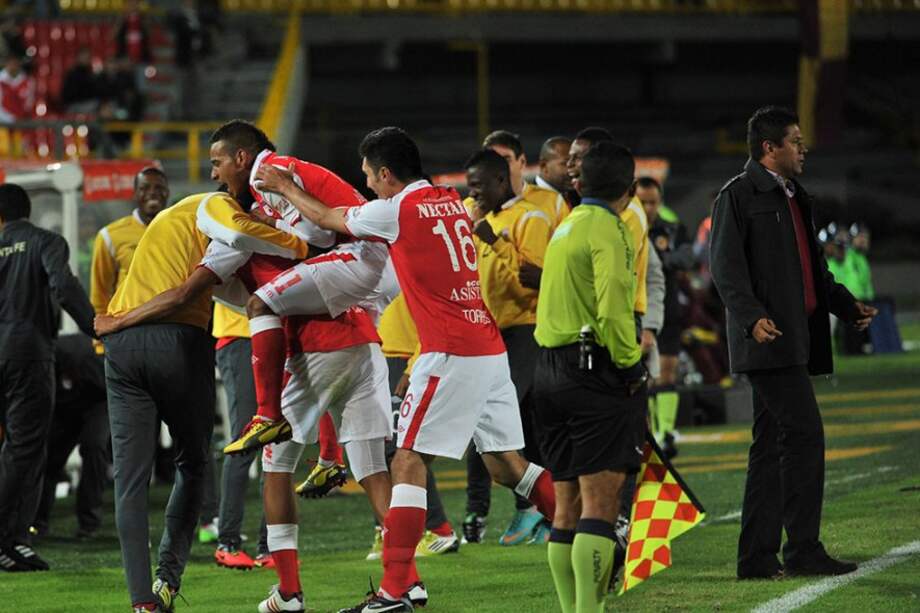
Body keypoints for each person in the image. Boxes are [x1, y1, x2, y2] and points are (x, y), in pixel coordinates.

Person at [254, 126, 556, 613]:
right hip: (488, 345)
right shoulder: (450, 199)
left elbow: (329, 216)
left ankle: (396, 590)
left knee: (407, 461)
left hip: (450, 350)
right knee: (508, 467)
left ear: (388, 174)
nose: (369, 184)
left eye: (371, 176)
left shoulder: (395, 210)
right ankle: (586, 536)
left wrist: (286, 188)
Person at [94, 190, 307, 612]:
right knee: (193, 463)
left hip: (121, 349)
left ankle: (142, 602)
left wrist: (116, 321)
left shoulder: (174, 218)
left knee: (130, 481)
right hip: (174, 340)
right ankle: (168, 578)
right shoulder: (219, 205)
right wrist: (299, 244)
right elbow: (226, 245)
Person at [709, 106, 877, 580]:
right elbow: (725, 268)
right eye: (795, 141)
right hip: (769, 340)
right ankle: (802, 549)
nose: (803, 148)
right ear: (769, 147)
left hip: (794, 339)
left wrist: (847, 306)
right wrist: (751, 318)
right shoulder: (738, 196)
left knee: (770, 447)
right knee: (805, 435)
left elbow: (813, 272)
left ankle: (757, 558)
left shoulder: (794, 196)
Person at [533, 142, 649, 613]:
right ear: (630, 188)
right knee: (600, 508)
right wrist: (630, 366)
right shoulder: (610, 229)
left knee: (566, 509)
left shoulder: (568, 224)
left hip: (547, 373)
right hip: (592, 372)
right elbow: (615, 307)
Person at [0, 184, 96, 572]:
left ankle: (17, 540)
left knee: (16, 451)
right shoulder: (45, 242)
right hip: (28, 355)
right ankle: (8, 540)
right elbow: (64, 287)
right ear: (28, 211)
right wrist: (95, 327)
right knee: (25, 450)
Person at [462, 148, 553, 546]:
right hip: (487, 332)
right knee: (512, 425)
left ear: (502, 181)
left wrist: (492, 241)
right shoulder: (480, 216)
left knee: (495, 419)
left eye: (479, 187)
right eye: (470, 187)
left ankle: (531, 509)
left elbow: (532, 280)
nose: (474, 194)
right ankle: (517, 509)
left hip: (524, 330)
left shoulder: (528, 217)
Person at [636, 176, 695, 458]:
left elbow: (686, 257)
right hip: (637, 310)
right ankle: (649, 433)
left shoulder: (670, 228)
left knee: (668, 370)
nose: (647, 208)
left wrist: (657, 259)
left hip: (667, 306)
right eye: (642, 202)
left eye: (652, 202)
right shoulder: (626, 227)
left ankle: (665, 431)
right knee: (644, 376)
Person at [33, 333, 108, 540]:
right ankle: (38, 521)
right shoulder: (42, 361)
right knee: (49, 455)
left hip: (98, 402)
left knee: (94, 447)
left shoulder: (84, 359)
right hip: (66, 404)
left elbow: (107, 390)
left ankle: (89, 521)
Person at [90, 167, 169, 315]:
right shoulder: (110, 235)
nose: (152, 192)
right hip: (128, 326)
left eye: (159, 187)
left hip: (171, 324)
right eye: (144, 188)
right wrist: (99, 337)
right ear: (135, 194)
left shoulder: (182, 230)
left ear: (167, 193)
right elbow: (100, 294)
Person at [483, 129, 569, 229]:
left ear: (522, 162)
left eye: (506, 159)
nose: (500, 167)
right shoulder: (470, 207)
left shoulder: (554, 202)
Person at [536, 136, 575, 206]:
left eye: (575, 162)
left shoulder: (578, 196)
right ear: (543, 165)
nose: (574, 169)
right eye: (565, 163)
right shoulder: (524, 198)